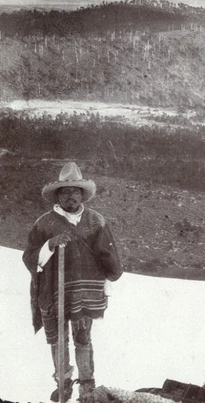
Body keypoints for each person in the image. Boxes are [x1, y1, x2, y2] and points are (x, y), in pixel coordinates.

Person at [22, 162, 123, 403]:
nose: (70, 196)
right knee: (58, 338)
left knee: (83, 337)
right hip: (54, 289)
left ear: (82, 194)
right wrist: (50, 244)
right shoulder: (44, 223)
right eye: (65, 191)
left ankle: (87, 387)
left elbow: (109, 255)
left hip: (87, 291)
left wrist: (112, 275)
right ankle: (63, 384)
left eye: (75, 191)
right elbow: (29, 256)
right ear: (57, 195)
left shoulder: (96, 221)